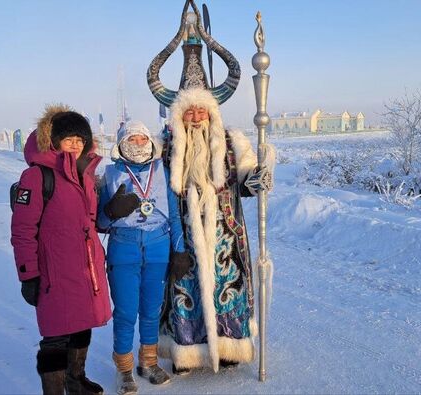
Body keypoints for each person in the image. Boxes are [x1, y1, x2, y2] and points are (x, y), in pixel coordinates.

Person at [146, 4, 274, 374]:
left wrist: (257, 178)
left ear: (212, 114)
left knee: (226, 284)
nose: (197, 116)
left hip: (226, 234)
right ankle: (186, 351)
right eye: (190, 112)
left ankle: (231, 347)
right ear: (179, 115)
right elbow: (145, 177)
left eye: (202, 111)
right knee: (184, 290)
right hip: (181, 233)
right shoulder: (165, 145)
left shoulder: (232, 141)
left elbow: (247, 178)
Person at [11, 104, 111, 394]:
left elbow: (90, 222)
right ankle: (54, 389)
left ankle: (75, 380)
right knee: (55, 336)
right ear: (53, 142)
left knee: (82, 325)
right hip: (54, 272)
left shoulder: (85, 176)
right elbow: (23, 230)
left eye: (80, 140)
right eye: (69, 140)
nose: (75, 146)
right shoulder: (38, 177)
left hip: (86, 269)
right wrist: (28, 275)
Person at [96, 121, 188, 394]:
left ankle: (148, 362)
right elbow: (100, 220)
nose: (137, 144)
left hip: (158, 248)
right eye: (131, 139)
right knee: (125, 313)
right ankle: (124, 369)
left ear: (150, 142)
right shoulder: (110, 174)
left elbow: (174, 216)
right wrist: (111, 210)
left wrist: (180, 251)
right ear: (121, 143)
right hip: (123, 249)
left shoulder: (163, 170)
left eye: (141, 139)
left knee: (151, 311)